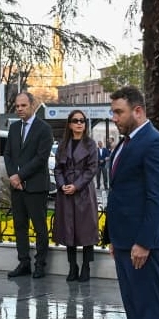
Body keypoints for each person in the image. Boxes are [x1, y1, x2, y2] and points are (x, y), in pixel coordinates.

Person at [101, 86, 159, 319]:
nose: (114, 118)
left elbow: (157, 198)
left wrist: (143, 242)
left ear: (138, 111)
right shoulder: (127, 142)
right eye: (113, 112)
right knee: (133, 305)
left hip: (143, 243)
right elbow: (120, 192)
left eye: (119, 112)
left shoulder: (155, 143)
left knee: (147, 306)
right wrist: (114, 238)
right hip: (124, 240)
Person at [4, 92, 53, 279]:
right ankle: (23, 262)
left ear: (32, 105)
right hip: (17, 187)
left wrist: (20, 175)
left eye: (23, 105)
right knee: (20, 226)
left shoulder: (44, 129)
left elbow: (41, 158)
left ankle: (40, 264)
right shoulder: (14, 128)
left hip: (35, 186)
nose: (19, 109)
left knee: (40, 228)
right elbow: (8, 154)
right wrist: (13, 176)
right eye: (17, 106)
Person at [54, 110, 100, 282]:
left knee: (86, 230)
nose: (79, 123)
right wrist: (62, 185)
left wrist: (77, 185)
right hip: (66, 191)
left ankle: (86, 266)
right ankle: (72, 267)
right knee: (68, 230)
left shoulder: (90, 144)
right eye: (76, 120)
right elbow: (58, 169)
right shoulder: (63, 145)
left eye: (82, 121)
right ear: (70, 124)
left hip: (84, 191)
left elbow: (92, 169)